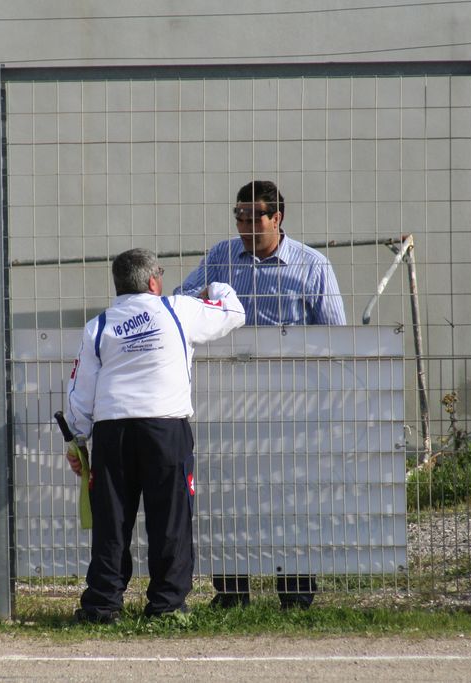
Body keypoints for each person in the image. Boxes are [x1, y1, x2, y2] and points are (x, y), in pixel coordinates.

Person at [174, 179, 347, 610]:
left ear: (277, 218)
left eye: (255, 217)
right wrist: (208, 295)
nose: (245, 226)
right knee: (229, 490)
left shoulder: (312, 267)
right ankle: (232, 592)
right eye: (239, 216)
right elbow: (180, 299)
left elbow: (336, 337)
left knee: (292, 494)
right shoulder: (221, 257)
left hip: (293, 402)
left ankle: (296, 592)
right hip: (228, 398)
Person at [65, 248, 245, 623]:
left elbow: (81, 389)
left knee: (112, 521)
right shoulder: (178, 309)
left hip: (113, 429)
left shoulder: (99, 325)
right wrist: (212, 288)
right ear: (153, 282)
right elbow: (234, 311)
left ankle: (102, 605)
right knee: (170, 519)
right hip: (165, 426)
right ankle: (167, 606)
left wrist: (77, 440)